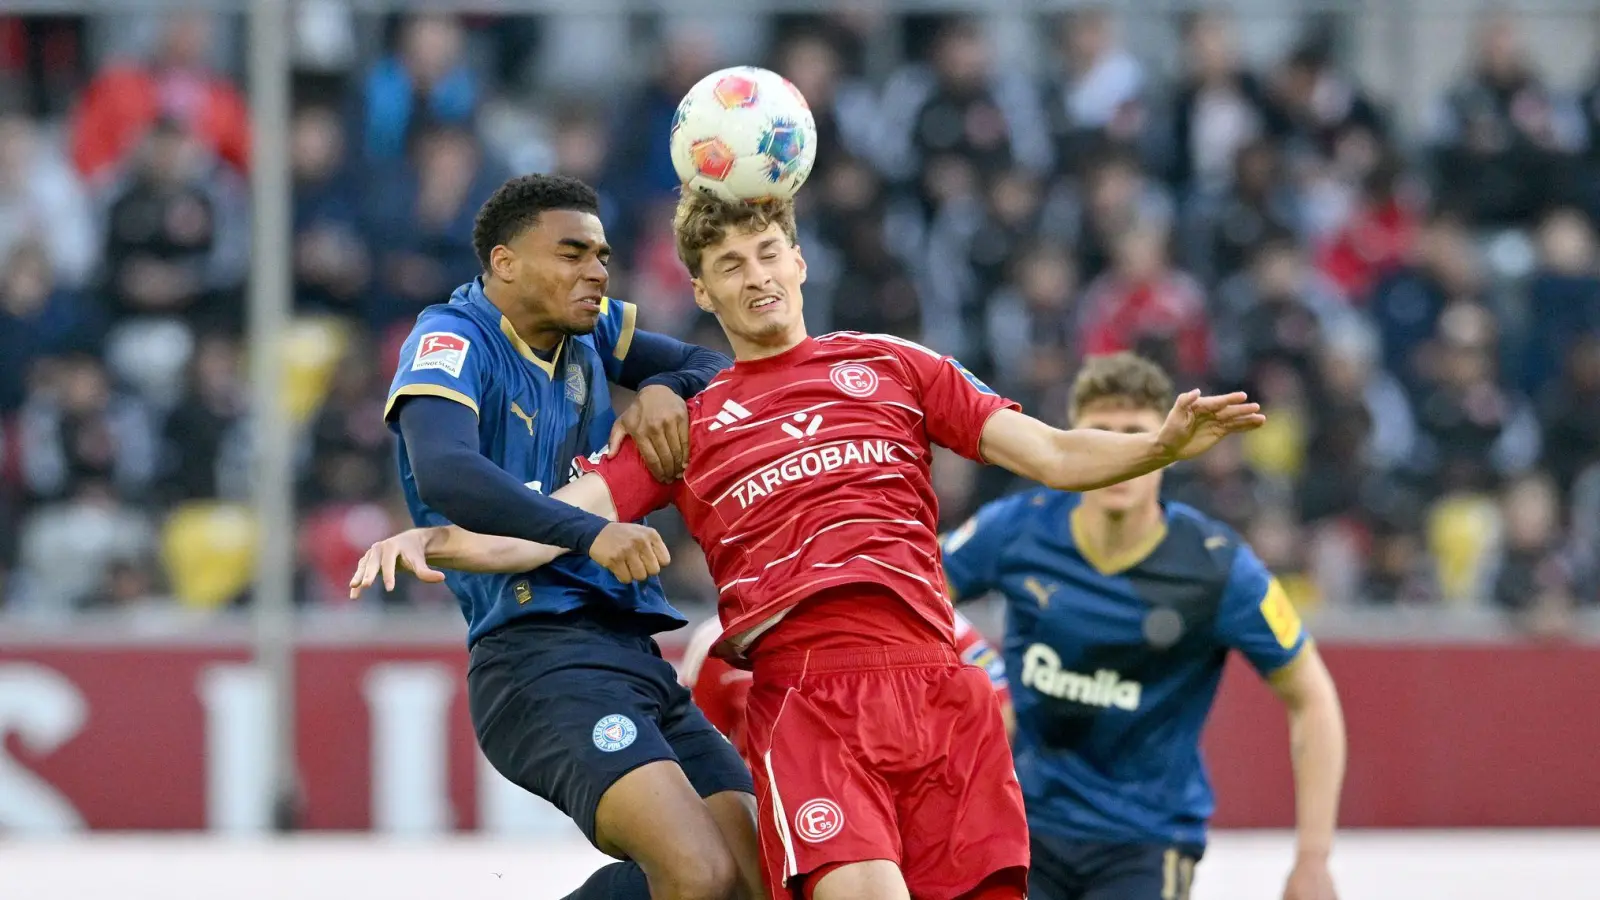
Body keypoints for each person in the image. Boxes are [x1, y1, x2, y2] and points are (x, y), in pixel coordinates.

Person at [352, 191, 1264, 900]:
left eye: (765, 254)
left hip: (943, 691)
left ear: (798, 259)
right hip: (811, 704)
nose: (754, 277)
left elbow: (1055, 453)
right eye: (727, 266)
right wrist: (438, 540)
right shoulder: (691, 426)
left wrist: (1158, 447)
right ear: (701, 292)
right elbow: (560, 523)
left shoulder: (898, 366)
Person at [383, 173, 762, 900]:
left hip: (631, 655)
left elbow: (712, 367)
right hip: (536, 658)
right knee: (698, 874)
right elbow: (447, 472)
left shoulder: (592, 332)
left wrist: (661, 389)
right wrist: (591, 533)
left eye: (603, 257)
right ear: (504, 263)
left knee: (756, 881)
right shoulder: (451, 338)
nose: (595, 271)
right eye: (572, 253)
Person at [941, 352, 1347, 900]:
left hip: (1146, 840)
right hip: (1021, 823)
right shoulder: (1018, 526)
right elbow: (911, 595)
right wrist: (982, 669)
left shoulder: (1216, 567)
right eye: (1099, 434)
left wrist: (1313, 860)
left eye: (1133, 434)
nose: (1115, 450)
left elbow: (1312, 698)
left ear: (1167, 448)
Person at [677, 609, 1012, 759]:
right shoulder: (719, 641)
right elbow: (699, 752)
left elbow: (1000, 716)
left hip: (913, 821)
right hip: (766, 827)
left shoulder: (945, 624)